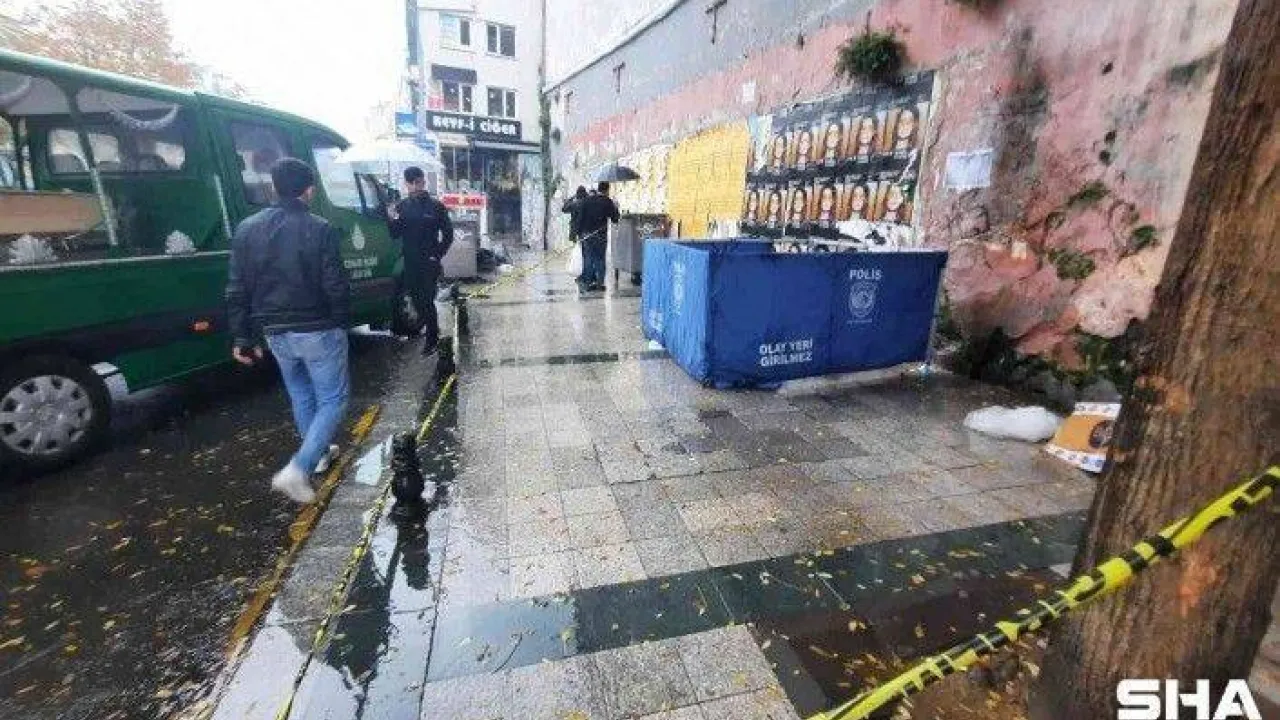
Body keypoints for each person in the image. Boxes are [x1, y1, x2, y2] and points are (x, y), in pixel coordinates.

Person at [226, 158, 350, 504]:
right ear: (309, 190)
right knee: (333, 399)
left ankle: (319, 453)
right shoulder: (320, 228)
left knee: (301, 394)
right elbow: (335, 283)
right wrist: (341, 321)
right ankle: (299, 468)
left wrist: (242, 335)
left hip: (275, 332)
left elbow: (236, 287)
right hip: (318, 328)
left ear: (274, 187)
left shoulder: (247, 229)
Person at [388, 166, 454, 354]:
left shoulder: (436, 206)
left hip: (429, 261)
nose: (417, 186)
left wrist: (438, 254)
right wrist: (391, 218)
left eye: (420, 182)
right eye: (413, 183)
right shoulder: (401, 207)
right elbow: (395, 234)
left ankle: (432, 339)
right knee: (416, 300)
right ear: (407, 184)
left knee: (427, 299)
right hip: (410, 261)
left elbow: (448, 234)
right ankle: (433, 329)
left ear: (424, 182)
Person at [575, 181, 619, 291]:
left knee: (589, 258)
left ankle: (587, 283)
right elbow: (615, 219)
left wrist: (579, 234)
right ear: (607, 190)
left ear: (598, 189)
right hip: (600, 235)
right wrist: (615, 207)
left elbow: (580, 218)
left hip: (586, 234)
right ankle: (600, 284)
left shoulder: (586, 200)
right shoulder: (607, 201)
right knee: (600, 259)